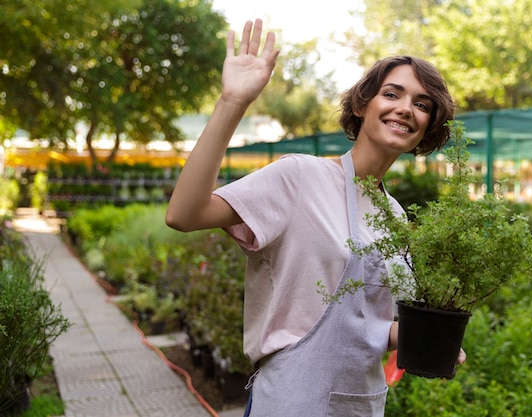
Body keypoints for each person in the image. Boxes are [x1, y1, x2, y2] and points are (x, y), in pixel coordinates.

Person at [166, 18, 465, 417]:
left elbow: (370, 325)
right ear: (362, 105)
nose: (405, 109)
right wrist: (232, 102)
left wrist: (429, 337)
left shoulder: (392, 214)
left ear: (427, 125)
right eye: (392, 93)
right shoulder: (300, 177)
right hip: (292, 400)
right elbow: (185, 214)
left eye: (422, 104)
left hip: (361, 404)